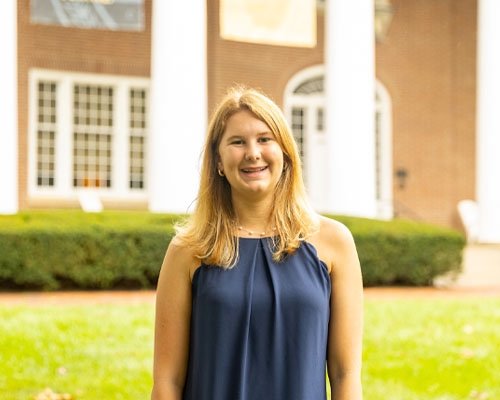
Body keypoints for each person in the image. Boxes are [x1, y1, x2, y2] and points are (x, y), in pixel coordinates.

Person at [151, 86, 363, 400]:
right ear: (219, 161)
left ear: (286, 153)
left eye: (265, 139)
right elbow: (168, 380)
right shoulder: (188, 250)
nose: (253, 153)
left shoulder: (334, 243)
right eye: (237, 142)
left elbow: (346, 376)